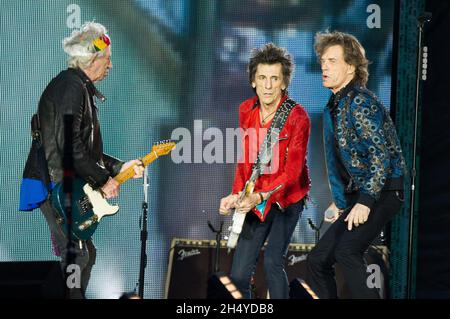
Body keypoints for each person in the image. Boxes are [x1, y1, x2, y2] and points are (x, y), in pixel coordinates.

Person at [20, 22, 143, 298]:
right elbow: (69, 146)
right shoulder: (70, 87)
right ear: (93, 58)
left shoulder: (78, 88)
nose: (110, 66)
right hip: (54, 183)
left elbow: (82, 149)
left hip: (62, 183)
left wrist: (118, 167)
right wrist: (103, 179)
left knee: (82, 254)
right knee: (76, 255)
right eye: (107, 59)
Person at [306, 31, 406, 299]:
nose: (324, 66)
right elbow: (339, 160)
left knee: (347, 251)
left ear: (350, 67)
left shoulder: (359, 102)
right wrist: (340, 202)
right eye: (323, 60)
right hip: (362, 194)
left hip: (384, 191)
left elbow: (379, 156)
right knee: (318, 260)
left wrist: (365, 201)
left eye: (332, 61)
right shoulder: (336, 105)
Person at [219, 43, 311, 299]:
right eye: (262, 78)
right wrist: (236, 195)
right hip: (255, 195)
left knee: (273, 262)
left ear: (284, 83)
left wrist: (258, 197)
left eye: (274, 79)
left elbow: (292, 174)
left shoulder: (298, 117)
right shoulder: (246, 110)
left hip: (286, 198)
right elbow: (246, 161)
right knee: (238, 273)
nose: (268, 86)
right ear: (253, 81)